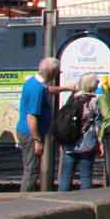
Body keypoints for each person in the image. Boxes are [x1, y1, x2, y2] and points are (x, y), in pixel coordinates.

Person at [17, 57, 63, 193]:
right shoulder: (36, 89)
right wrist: (37, 140)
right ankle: (22, 201)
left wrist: (66, 88)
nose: (58, 74)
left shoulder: (34, 82)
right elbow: (31, 117)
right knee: (31, 170)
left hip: (27, 131)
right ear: (51, 72)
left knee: (30, 168)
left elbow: (47, 90)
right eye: (57, 72)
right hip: (30, 134)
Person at [57, 74, 104, 192]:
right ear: (93, 86)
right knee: (86, 177)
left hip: (69, 142)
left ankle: (60, 204)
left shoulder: (72, 98)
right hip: (87, 144)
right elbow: (98, 124)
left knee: (65, 178)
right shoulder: (95, 101)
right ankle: (85, 203)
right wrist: (101, 143)